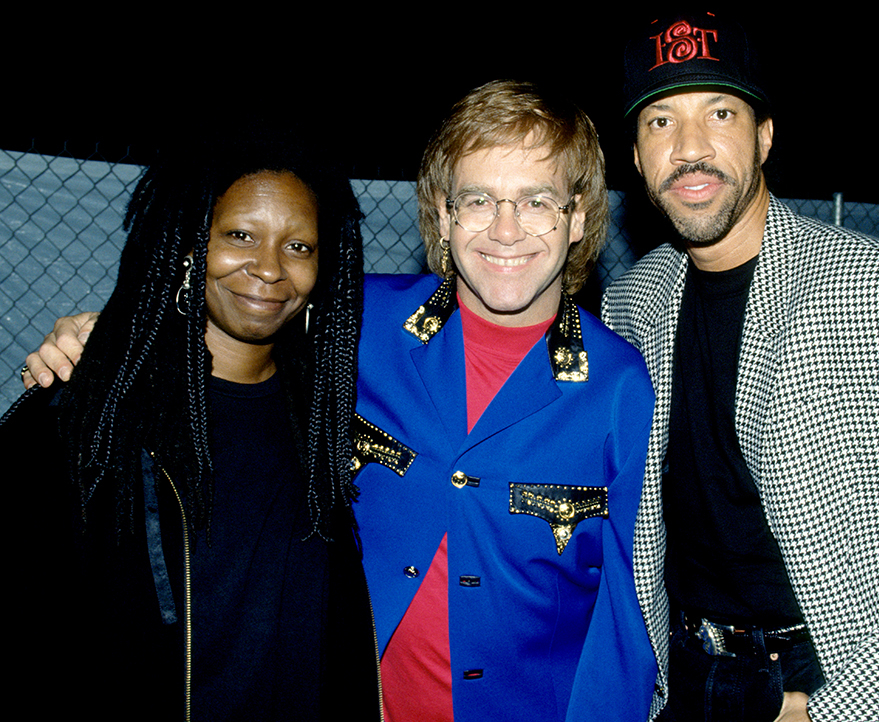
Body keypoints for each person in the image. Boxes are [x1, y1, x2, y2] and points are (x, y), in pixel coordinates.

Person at [19, 81, 659, 721]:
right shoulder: (353, 324)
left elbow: (626, 616)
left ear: (578, 217)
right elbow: (239, 307)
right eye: (478, 199)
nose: (506, 229)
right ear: (442, 212)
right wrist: (103, 332)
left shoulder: (620, 388)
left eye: (536, 201)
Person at [601, 8, 879, 722]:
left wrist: (843, 707)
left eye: (721, 113)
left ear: (764, 137)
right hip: (682, 674)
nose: (691, 147)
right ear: (638, 157)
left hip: (843, 678)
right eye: (660, 122)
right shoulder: (631, 303)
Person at [3, 133, 380, 720]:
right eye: (239, 235)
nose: (269, 268)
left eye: (299, 245)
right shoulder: (84, 416)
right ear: (187, 243)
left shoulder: (329, 416)